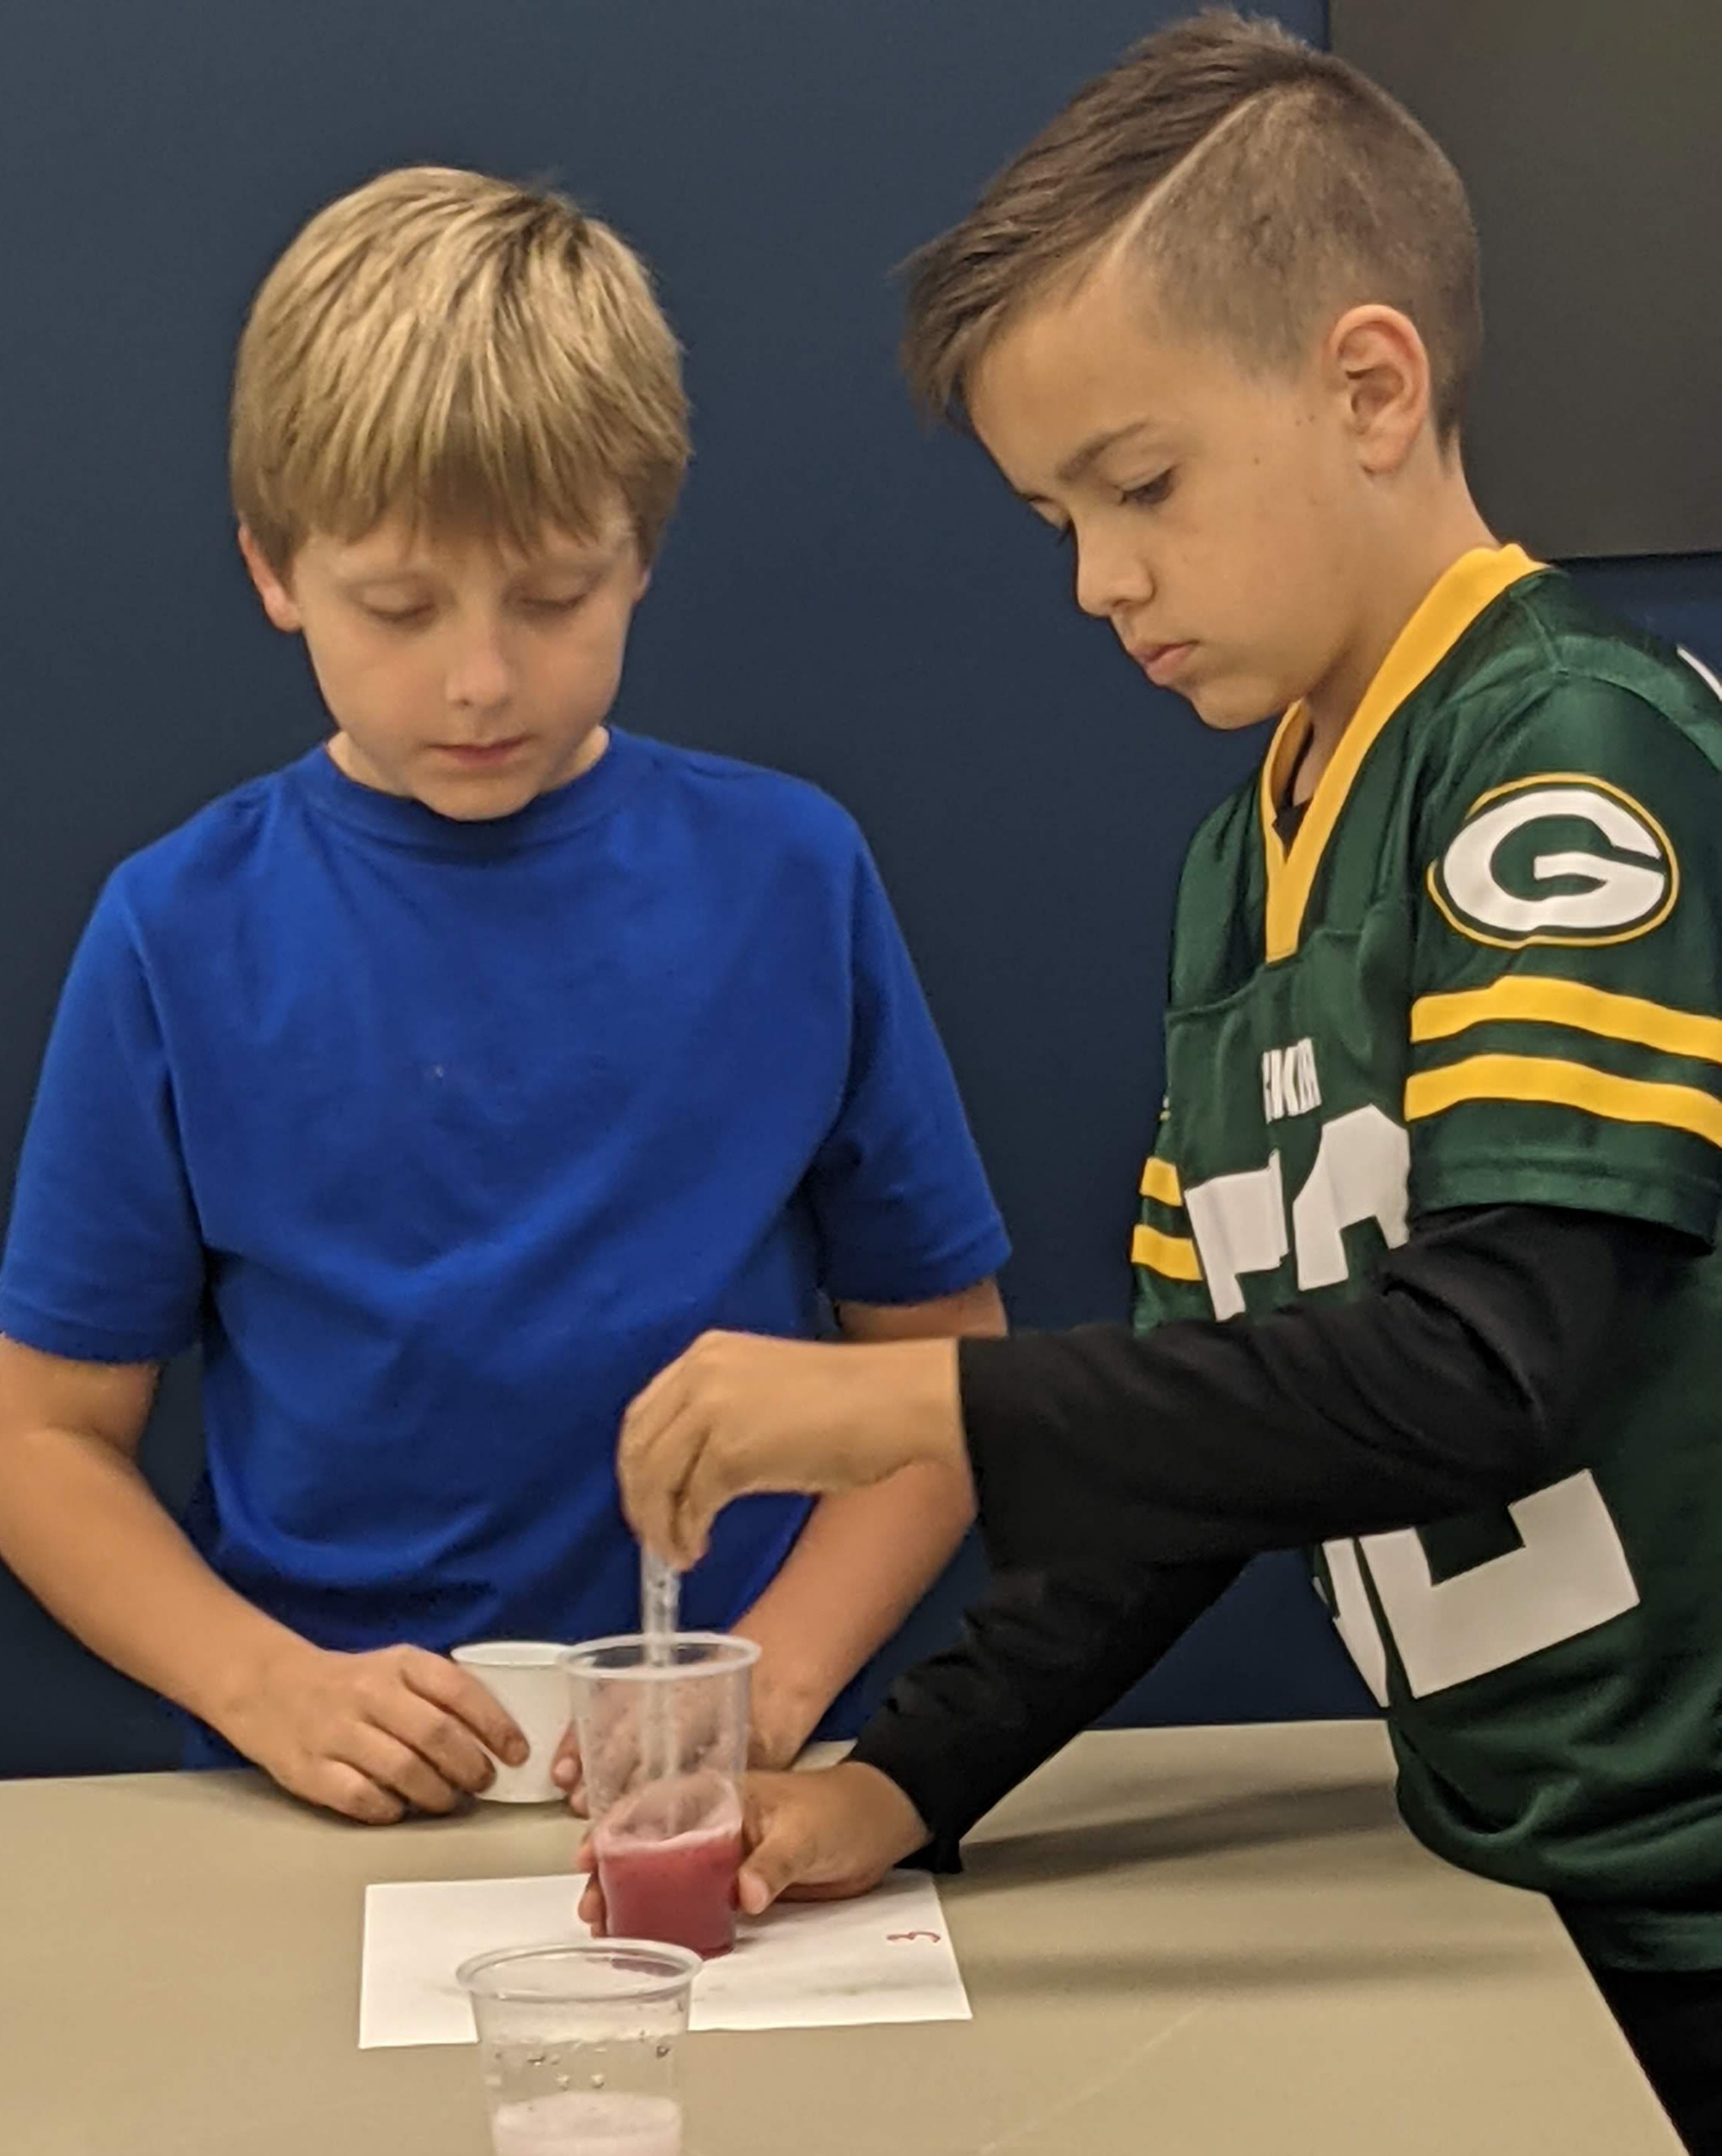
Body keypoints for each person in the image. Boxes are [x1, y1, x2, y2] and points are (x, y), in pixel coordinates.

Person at [605, 14, 1722, 2144]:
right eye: (1056, 516)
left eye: (1140, 487)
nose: (1097, 578)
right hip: (1507, 1880)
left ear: (1368, 387)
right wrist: (903, 1773)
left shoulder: (1564, 750)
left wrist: (910, 1399)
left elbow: (1491, 1363)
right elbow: (1207, 1425)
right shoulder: (1244, 853)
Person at [0, 165, 1009, 1833]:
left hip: (732, 1782)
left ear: (639, 558)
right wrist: (262, 1684)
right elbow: (41, 1446)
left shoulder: (789, 875)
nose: (478, 677)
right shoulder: (176, 928)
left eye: (550, 597)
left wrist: (771, 1681)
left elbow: (948, 1380)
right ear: (273, 570)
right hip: (316, 1786)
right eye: (398, 606)